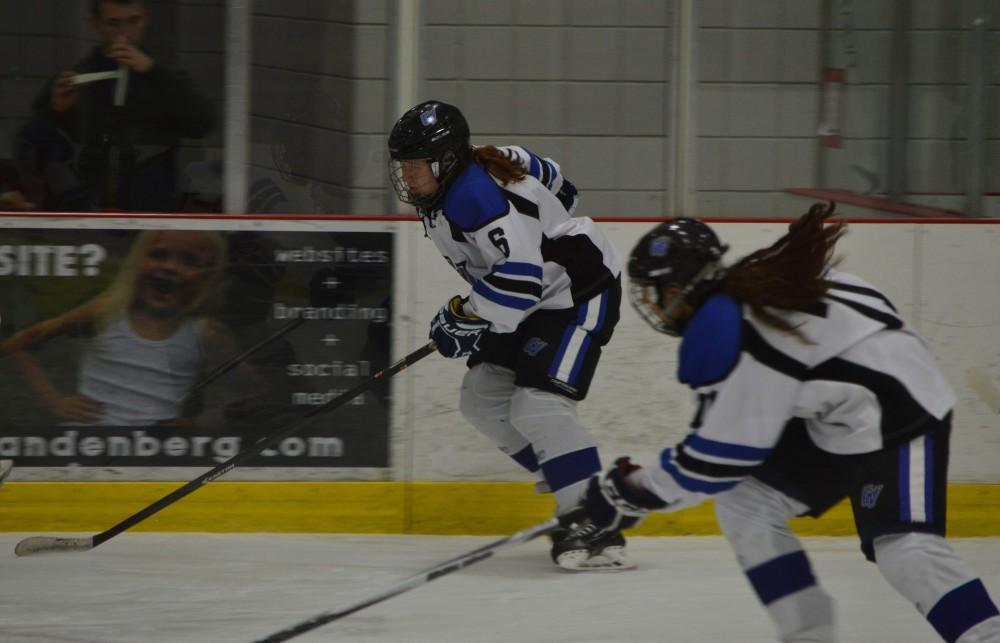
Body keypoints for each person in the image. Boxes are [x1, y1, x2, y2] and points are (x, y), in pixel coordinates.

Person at [560, 203, 1000, 641]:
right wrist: (637, 492)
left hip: (902, 413)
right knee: (746, 503)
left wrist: (632, 493)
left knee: (904, 549)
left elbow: (714, 463)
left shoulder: (743, 339)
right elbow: (721, 445)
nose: (653, 306)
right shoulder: (754, 295)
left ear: (682, 289)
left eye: (657, 292)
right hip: (837, 413)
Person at [387, 100, 627, 570]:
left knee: (538, 404)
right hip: (534, 300)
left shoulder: (473, 197)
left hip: (579, 291)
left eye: (417, 167)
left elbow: (519, 285)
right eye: (405, 167)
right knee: (481, 399)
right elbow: (554, 175)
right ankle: (575, 487)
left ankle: (591, 517)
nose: (409, 178)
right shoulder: (474, 165)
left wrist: (465, 313)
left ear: (447, 159)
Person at [3, 229, 264, 428]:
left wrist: (199, 422)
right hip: (88, 445)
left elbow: (253, 392)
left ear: (209, 277)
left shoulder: (206, 332)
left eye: (189, 261)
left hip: (154, 453)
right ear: (136, 261)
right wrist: (54, 400)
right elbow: (17, 344)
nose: (170, 267)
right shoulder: (106, 311)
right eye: (158, 255)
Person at [30, 0, 215, 212]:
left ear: (146, 18)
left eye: (133, 21)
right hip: (84, 215)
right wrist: (57, 112)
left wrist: (152, 71)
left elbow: (203, 124)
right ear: (95, 24)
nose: (124, 34)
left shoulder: (166, 79)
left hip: (151, 216)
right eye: (114, 23)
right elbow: (34, 148)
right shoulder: (76, 80)